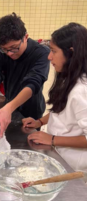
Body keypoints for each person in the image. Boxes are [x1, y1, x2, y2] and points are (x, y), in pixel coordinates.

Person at [22, 23, 87, 173]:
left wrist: (52, 139)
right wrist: (40, 121)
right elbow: (62, 110)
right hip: (58, 154)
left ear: (71, 53)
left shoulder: (81, 90)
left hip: (72, 167)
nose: (49, 56)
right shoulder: (68, 77)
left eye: (53, 51)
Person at [0, 12, 50, 137]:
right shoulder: (0, 53)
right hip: (10, 103)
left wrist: (9, 108)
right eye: (4, 48)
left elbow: (33, 83)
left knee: (28, 142)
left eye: (13, 47)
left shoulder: (41, 53)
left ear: (25, 37)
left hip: (31, 110)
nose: (9, 53)